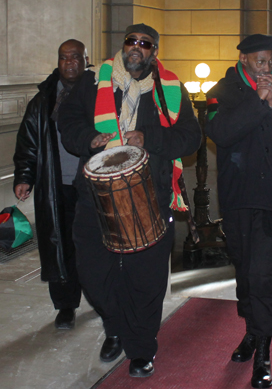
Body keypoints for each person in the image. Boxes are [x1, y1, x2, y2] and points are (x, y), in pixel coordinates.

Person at [58, 24, 201, 378]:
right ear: (123, 45)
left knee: (145, 280)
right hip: (95, 198)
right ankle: (117, 325)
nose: (136, 47)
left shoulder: (169, 89)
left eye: (144, 43)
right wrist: (89, 138)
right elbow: (68, 119)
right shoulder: (95, 81)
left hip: (149, 198)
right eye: (131, 41)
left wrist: (148, 138)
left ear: (154, 50)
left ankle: (140, 348)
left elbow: (191, 137)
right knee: (92, 272)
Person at [206, 34, 272, 388]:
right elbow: (221, 132)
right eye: (261, 62)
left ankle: (263, 352)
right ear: (245, 60)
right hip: (236, 199)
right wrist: (257, 102)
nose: (268, 68)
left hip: (271, 199)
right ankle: (251, 331)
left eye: (271, 61)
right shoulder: (222, 91)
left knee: (264, 279)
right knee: (245, 276)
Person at [13, 39, 88, 330]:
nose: (69, 62)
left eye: (75, 57)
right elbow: (28, 142)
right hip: (55, 187)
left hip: (90, 187)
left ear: (85, 60)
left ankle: (101, 298)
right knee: (59, 247)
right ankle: (66, 306)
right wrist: (24, 176)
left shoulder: (97, 95)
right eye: (63, 57)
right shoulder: (43, 100)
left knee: (91, 247)